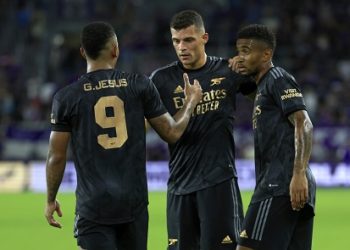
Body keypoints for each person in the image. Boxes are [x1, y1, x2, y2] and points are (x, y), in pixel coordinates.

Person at [44, 21, 202, 250]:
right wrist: (190, 102)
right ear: (116, 50)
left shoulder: (66, 97)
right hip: (134, 205)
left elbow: (56, 157)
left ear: (82, 52)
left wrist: (50, 199)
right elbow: (172, 132)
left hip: (93, 206)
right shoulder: (140, 85)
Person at [150, 10, 256, 250]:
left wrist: (251, 64)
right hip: (180, 186)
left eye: (188, 40)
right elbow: (148, 126)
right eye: (176, 41)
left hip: (219, 182)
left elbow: (263, 94)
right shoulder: (161, 80)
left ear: (204, 38)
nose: (181, 47)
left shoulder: (227, 71)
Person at [234, 24, 316, 250]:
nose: (241, 57)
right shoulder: (264, 88)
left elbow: (304, 123)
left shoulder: (278, 77)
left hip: (279, 184)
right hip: (286, 184)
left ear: (266, 54)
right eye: (239, 51)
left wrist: (298, 173)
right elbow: (262, 101)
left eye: (246, 51)